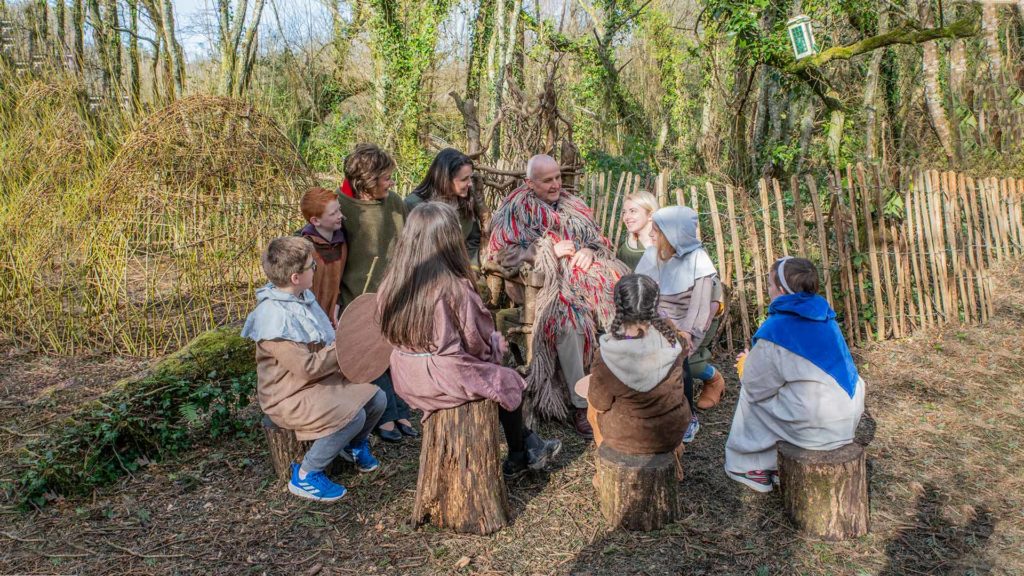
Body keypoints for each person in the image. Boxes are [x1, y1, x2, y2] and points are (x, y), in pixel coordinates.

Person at [379, 202, 562, 479]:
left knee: (494, 378)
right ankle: (520, 452)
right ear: (450, 241)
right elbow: (475, 345)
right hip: (443, 378)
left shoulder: (392, 283)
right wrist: (495, 346)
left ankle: (525, 447)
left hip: (406, 375)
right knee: (507, 378)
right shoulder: (454, 288)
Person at [487, 154, 629, 438]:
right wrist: (547, 253)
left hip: (583, 280)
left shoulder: (573, 205)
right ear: (529, 182)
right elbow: (502, 254)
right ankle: (581, 405)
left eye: (558, 178)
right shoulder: (515, 209)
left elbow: (597, 240)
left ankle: (624, 390)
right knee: (570, 325)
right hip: (541, 289)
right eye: (547, 180)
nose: (556, 185)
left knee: (622, 301)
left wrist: (589, 251)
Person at [241, 237, 384, 502]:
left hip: (317, 383)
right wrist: (340, 346)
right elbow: (306, 368)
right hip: (287, 397)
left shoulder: (303, 298)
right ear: (296, 277)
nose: (315, 270)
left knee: (377, 398)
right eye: (311, 267)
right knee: (353, 416)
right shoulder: (273, 317)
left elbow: (322, 344)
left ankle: (352, 446)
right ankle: (307, 474)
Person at [724, 257, 865, 493]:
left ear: (780, 290)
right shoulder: (827, 318)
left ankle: (750, 465)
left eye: (769, 284)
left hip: (815, 430)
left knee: (750, 394)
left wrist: (745, 364)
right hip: (845, 424)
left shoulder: (777, 330)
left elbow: (756, 385)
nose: (767, 290)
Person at [336, 143, 415, 443]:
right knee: (371, 354)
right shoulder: (340, 207)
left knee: (396, 351)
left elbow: (406, 244)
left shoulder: (394, 203)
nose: (391, 182)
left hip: (392, 295)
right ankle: (385, 416)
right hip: (356, 299)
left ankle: (401, 409)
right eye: (385, 178)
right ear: (365, 181)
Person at [636, 206, 725, 443]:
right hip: (658, 318)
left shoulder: (698, 259)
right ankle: (651, 410)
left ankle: (687, 416)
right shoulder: (653, 254)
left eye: (657, 231)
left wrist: (686, 333)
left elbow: (700, 305)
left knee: (678, 358)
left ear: (673, 234)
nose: (651, 235)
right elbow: (641, 291)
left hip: (688, 323)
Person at [581, 274, 690, 455]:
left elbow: (600, 402)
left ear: (618, 306)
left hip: (624, 437)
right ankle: (677, 452)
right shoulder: (671, 337)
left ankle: (602, 462)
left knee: (592, 407)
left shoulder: (607, 354)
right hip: (673, 431)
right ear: (654, 304)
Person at [405, 148, 483, 266]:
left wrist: (471, 269)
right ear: (445, 180)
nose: (470, 183)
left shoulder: (466, 201)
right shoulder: (414, 205)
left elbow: (473, 238)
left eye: (470, 178)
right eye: (464, 179)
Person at [299, 187, 348, 324]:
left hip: (333, 317)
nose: (340, 215)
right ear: (315, 221)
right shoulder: (303, 250)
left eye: (339, 209)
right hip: (310, 319)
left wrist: (336, 304)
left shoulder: (342, 242)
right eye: (333, 213)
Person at [615, 191, 658, 270]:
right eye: (624, 212)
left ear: (650, 215)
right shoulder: (626, 251)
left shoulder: (669, 245)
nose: (626, 217)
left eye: (633, 211)